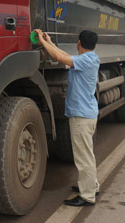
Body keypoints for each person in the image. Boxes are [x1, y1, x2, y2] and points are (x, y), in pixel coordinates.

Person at [34, 28, 100, 207]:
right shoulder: (89, 58)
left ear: (79, 43)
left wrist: (42, 41)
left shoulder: (86, 60)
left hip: (81, 116)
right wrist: (49, 43)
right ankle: (92, 186)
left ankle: (87, 196)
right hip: (87, 113)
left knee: (83, 157)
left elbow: (60, 58)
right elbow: (64, 55)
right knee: (87, 154)